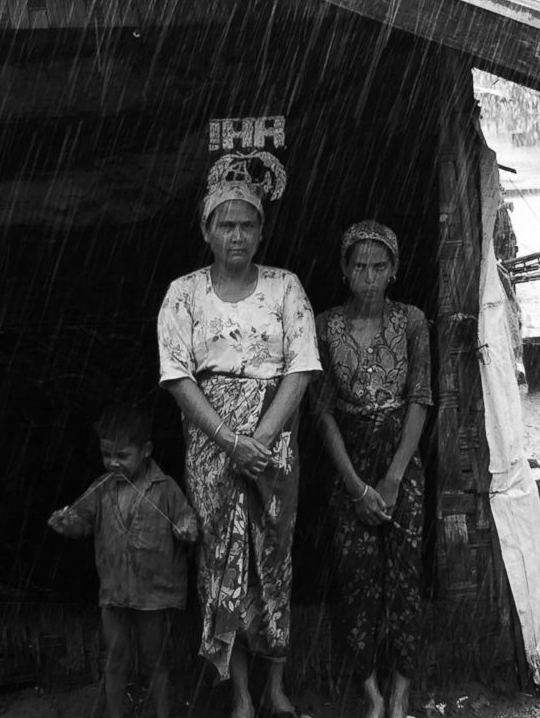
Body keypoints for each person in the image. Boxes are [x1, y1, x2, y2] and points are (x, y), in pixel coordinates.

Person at [157, 181, 321, 718]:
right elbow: (178, 377)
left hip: (274, 448)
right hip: (211, 447)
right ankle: (242, 694)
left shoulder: (285, 287)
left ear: (261, 232)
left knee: (272, 558)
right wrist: (231, 442)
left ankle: (275, 687)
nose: (236, 235)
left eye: (247, 224)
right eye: (225, 225)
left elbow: (300, 368)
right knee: (223, 561)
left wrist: (262, 441)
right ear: (206, 232)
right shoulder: (183, 293)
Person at [311, 220, 432, 718]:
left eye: (379, 266)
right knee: (355, 578)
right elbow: (321, 410)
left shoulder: (412, 322)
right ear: (344, 269)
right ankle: (371, 693)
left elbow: (420, 399)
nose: (368, 276)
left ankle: (401, 689)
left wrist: (393, 478)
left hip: (400, 457)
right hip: (349, 459)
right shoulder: (324, 325)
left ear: (395, 271)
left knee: (406, 576)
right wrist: (356, 485)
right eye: (358, 265)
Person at [47, 403, 199, 718]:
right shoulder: (101, 488)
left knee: (154, 659)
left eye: (122, 455)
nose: (113, 463)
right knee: (114, 657)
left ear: (146, 450)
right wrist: (67, 523)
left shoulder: (165, 487)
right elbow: (82, 522)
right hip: (114, 591)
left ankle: (163, 714)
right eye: (107, 455)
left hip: (153, 593)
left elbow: (187, 518)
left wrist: (187, 528)